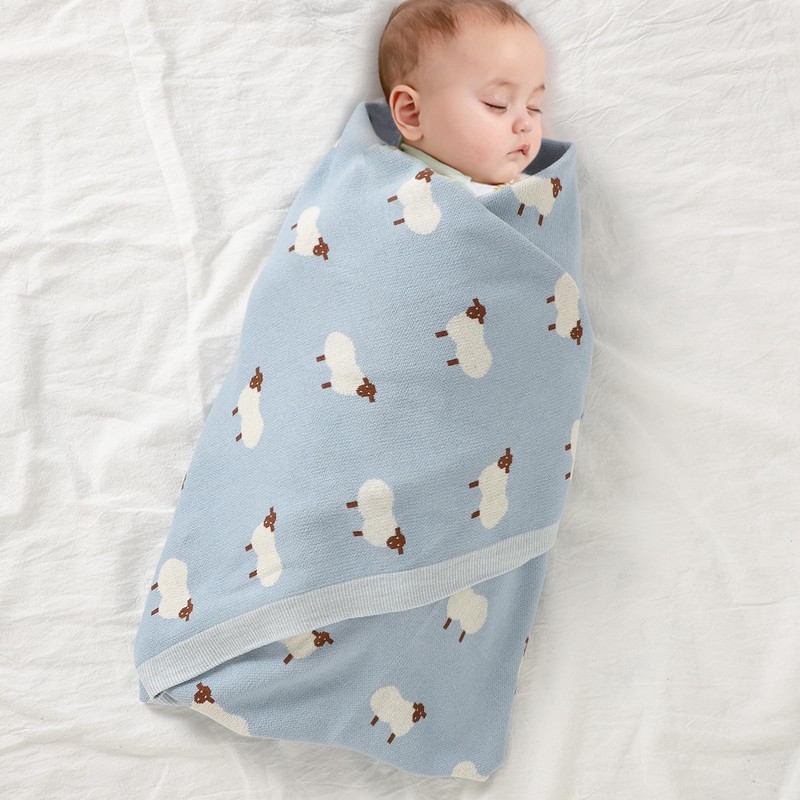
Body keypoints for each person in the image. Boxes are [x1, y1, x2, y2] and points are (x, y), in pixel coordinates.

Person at [378, 0, 547, 196]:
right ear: (412, 113)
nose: (526, 124)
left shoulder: (537, 191)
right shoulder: (386, 189)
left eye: (533, 107)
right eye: (497, 104)